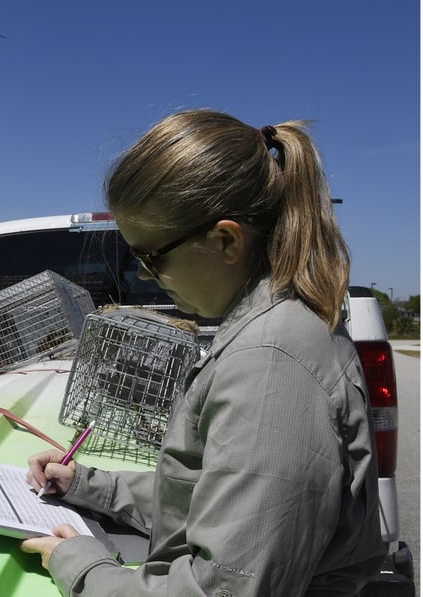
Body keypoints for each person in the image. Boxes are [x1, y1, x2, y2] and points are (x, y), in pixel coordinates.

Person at [20, 109, 386, 595]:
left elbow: (221, 589)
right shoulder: (269, 331)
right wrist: (90, 485)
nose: (145, 276)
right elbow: (217, 494)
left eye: (151, 257)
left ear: (226, 240)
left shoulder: (271, 366)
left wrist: (83, 566)